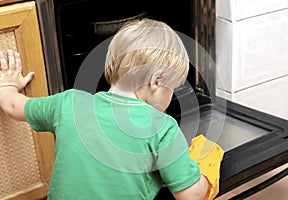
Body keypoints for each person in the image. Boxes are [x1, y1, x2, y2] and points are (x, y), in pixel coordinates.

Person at [0, 19, 209, 199]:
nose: (171, 97)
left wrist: (7, 84)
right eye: (172, 88)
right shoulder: (162, 127)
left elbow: (12, 105)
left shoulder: (67, 103)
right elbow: (190, 195)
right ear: (156, 81)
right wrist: (206, 169)